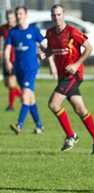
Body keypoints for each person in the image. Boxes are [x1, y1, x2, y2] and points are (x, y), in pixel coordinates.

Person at [40, 4, 94, 154]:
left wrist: (76, 64)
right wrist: (45, 54)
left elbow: (89, 48)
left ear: (63, 15)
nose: (56, 18)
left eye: (59, 14)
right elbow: (52, 50)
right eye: (53, 15)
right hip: (63, 76)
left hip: (73, 75)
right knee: (80, 109)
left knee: (53, 104)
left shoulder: (72, 31)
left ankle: (71, 135)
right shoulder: (50, 33)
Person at [5, 6, 45, 134]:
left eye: (21, 14)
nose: (18, 16)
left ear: (26, 15)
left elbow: (45, 44)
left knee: (25, 95)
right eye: (17, 14)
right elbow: (7, 49)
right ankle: (39, 125)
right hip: (19, 69)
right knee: (30, 98)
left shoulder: (33, 30)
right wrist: (7, 62)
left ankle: (19, 125)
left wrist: (44, 54)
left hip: (31, 68)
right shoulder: (13, 32)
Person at [0, 9, 21, 111]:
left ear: (15, 18)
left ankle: (11, 106)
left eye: (11, 18)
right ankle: (23, 97)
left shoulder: (18, 28)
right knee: (7, 83)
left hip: (15, 58)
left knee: (12, 82)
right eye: (8, 18)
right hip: (6, 58)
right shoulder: (3, 28)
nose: (10, 20)